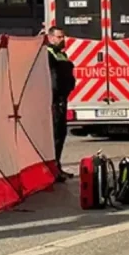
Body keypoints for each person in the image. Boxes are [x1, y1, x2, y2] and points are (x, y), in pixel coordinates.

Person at [47, 26, 76, 182]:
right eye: (59, 37)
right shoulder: (49, 54)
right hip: (55, 101)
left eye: (63, 37)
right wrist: (55, 98)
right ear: (51, 38)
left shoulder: (61, 54)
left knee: (61, 134)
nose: (62, 40)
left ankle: (57, 166)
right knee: (55, 136)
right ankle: (53, 169)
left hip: (62, 99)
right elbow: (53, 80)